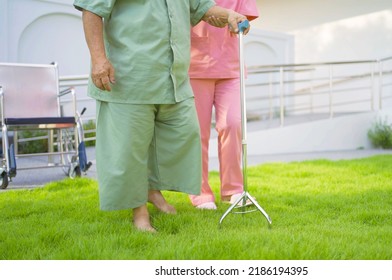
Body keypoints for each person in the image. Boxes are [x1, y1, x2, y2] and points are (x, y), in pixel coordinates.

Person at [73, 0, 249, 232]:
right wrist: (98, 60)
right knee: (130, 149)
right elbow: (91, 9)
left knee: (183, 134)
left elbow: (201, 7)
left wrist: (228, 15)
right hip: (130, 75)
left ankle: (151, 190)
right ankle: (139, 213)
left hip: (172, 78)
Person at [189, 0, 259, 210]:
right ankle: (200, 193)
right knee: (197, 133)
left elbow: (246, 19)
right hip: (194, 67)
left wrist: (242, 24)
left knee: (232, 124)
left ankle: (233, 190)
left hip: (230, 67)